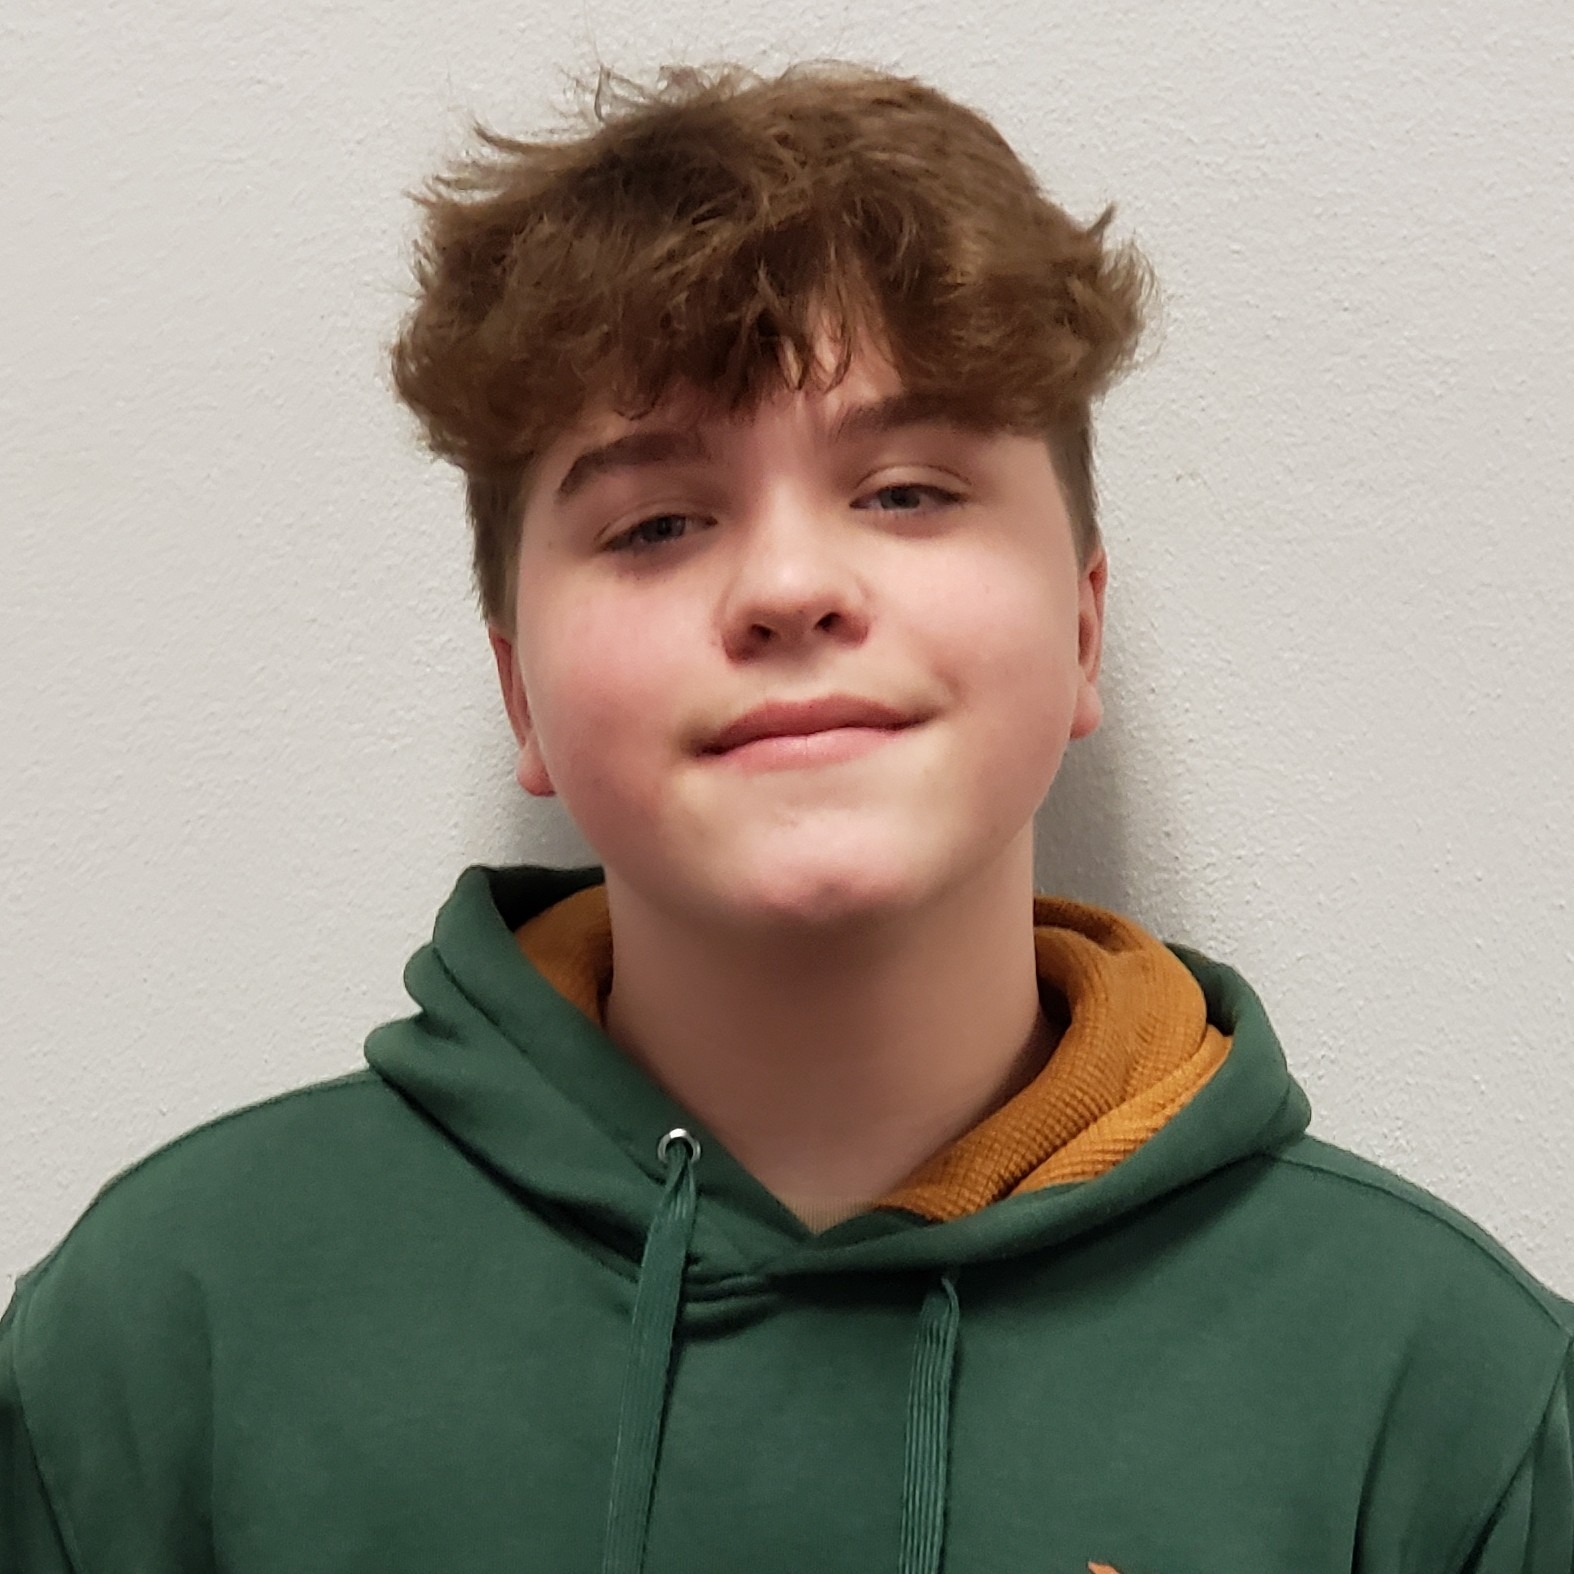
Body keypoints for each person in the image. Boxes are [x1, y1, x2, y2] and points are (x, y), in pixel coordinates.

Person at [3, 59, 1570, 1574]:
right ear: (520, 692)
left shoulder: (1447, 1400)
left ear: (1083, 631)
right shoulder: (160, 1340)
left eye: (905, 491)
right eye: (656, 521)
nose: (790, 585)